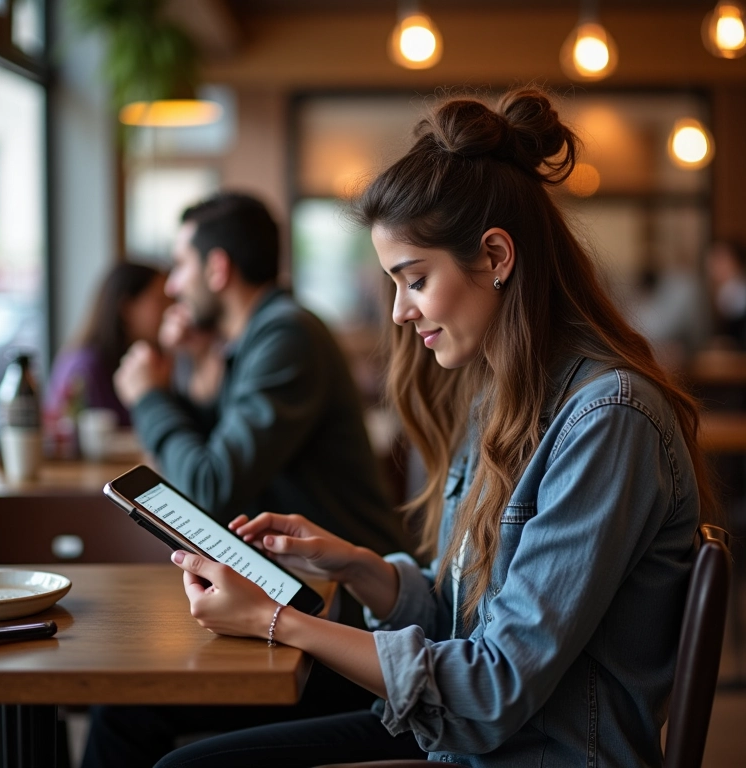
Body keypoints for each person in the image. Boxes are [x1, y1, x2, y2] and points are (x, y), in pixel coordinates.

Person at [155, 88, 718, 768]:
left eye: (415, 280)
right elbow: (466, 618)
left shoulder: (610, 421)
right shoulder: (503, 397)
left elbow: (491, 687)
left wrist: (278, 622)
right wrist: (359, 567)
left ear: (497, 256)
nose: (399, 311)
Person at [82, 192, 409, 768]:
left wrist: (150, 398)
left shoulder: (287, 336)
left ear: (218, 268)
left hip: (352, 621)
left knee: (125, 709)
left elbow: (209, 486)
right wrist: (185, 368)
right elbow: (213, 448)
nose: (173, 286)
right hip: (304, 597)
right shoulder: (261, 336)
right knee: (128, 701)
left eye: (180, 265)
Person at [45, 261, 170, 428]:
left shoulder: (151, 362)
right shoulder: (85, 369)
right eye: (161, 301)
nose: (170, 310)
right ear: (127, 308)